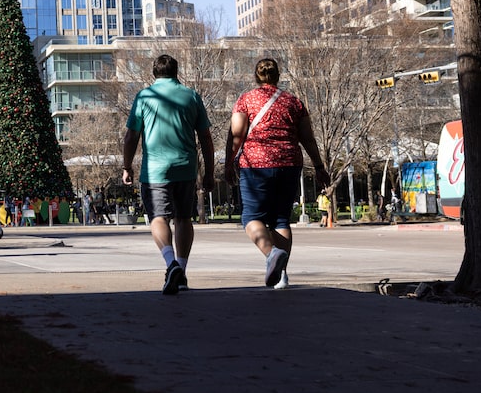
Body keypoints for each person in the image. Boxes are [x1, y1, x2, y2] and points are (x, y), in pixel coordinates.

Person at [224, 58, 331, 289]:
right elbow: (308, 138)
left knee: (251, 217)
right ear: (278, 75)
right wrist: (319, 166)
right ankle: (282, 276)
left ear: (256, 76)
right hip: (289, 163)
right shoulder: (293, 102)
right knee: (281, 218)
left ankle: (271, 254)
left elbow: (237, 135)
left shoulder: (246, 99)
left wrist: (228, 163)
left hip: (255, 165)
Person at [122, 54, 216, 295]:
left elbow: (131, 136)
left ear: (154, 73)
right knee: (184, 218)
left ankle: (170, 263)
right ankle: (181, 271)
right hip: (185, 167)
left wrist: (127, 166)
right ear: (176, 72)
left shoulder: (145, 96)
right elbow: (205, 137)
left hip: (155, 170)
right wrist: (209, 171)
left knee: (158, 218)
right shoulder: (191, 96)